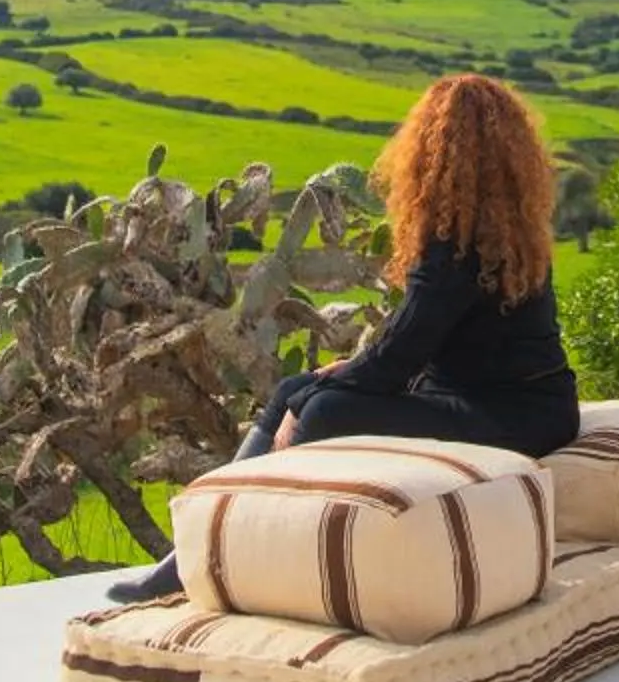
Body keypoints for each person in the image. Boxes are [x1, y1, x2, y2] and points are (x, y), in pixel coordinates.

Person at [106, 73, 582, 604]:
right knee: (296, 388)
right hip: (519, 402)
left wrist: (314, 399)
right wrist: (315, 384)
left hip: (511, 415)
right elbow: (408, 342)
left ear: (434, 152)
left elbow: (397, 361)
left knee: (324, 411)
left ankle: (222, 552)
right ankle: (193, 549)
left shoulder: (455, 248)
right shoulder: (501, 233)